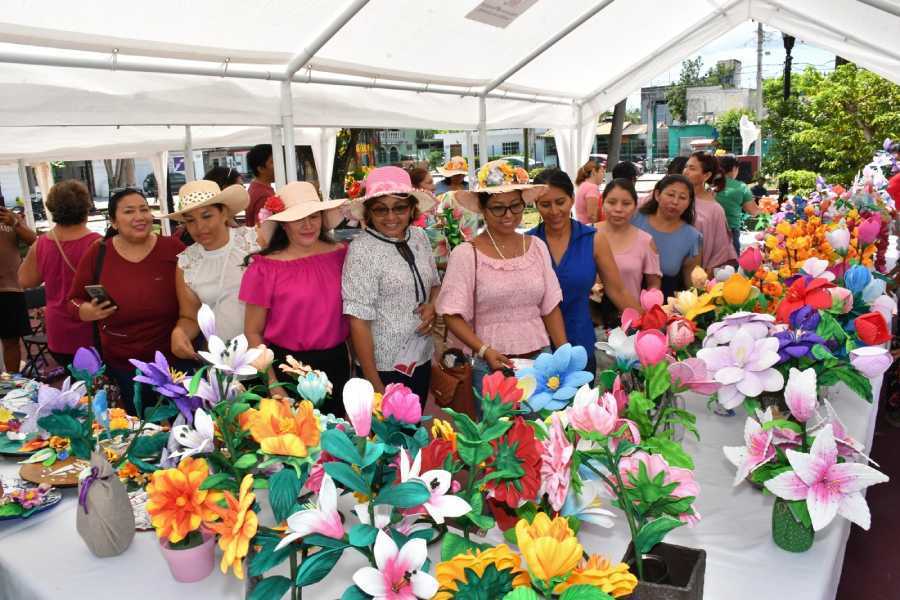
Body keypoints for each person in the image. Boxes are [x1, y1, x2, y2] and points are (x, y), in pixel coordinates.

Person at [437, 160, 567, 396]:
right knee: (494, 431)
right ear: (483, 210)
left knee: (540, 430)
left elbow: (550, 307)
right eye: (498, 207)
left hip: (540, 361)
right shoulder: (467, 254)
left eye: (515, 206)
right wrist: (484, 349)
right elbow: (451, 315)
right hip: (488, 365)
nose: (508, 215)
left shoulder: (536, 246)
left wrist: (564, 355)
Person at [68, 189, 185, 414]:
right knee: (135, 430)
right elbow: (72, 301)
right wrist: (87, 311)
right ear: (113, 221)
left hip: (173, 362)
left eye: (144, 209)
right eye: (129, 211)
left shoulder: (174, 248)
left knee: (179, 426)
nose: (139, 217)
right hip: (122, 366)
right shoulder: (98, 252)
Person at [241, 182, 349, 415]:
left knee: (339, 441)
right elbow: (252, 331)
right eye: (298, 218)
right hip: (286, 369)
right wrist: (273, 385)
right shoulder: (265, 268)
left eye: (314, 216)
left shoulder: (341, 255)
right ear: (282, 223)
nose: (308, 225)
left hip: (337, 363)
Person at [529, 168, 641, 375]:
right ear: (536, 205)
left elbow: (618, 291)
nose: (554, 211)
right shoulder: (528, 243)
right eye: (545, 205)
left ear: (572, 199)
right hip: (536, 346)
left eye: (560, 202)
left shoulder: (593, 239)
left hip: (580, 340)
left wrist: (650, 326)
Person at [342, 167, 440, 403]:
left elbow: (435, 284)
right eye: (380, 210)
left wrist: (432, 306)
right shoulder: (362, 250)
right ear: (369, 213)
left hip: (420, 357)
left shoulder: (419, 237)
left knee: (414, 431)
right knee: (388, 437)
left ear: (411, 209)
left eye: (400, 208)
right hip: (383, 365)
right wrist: (374, 381)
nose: (391, 217)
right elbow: (358, 321)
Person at [163, 181, 256, 360]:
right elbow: (189, 316)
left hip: (268, 354)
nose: (200, 227)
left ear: (224, 213)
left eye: (207, 216)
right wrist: (180, 332)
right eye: (190, 220)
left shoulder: (253, 241)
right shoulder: (187, 262)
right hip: (223, 360)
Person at [18, 180, 100, 368]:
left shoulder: (41, 243)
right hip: (90, 330)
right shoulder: (97, 244)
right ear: (86, 207)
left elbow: (25, 280)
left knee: (75, 390)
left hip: (58, 333)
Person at [632, 175, 702, 298]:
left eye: (682, 198)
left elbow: (691, 285)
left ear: (689, 202)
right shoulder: (634, 219)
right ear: (657, 195)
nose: (675, 202)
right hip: (621, 302)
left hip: (664, 309)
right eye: (670, 195)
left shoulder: (692, 237)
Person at [596, 178, 662, 302]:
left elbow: (653, 285)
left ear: (635, 206)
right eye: (611, 202)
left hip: (630, 316)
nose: (618, 209)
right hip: (587, 318)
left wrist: (649, 307)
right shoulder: (586, 234)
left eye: (626, 203)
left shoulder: (645, 241)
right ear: (603, 203)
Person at [683, 152, 737, 272]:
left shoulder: (715, 209)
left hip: (696, 275)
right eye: (686, 166)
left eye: (692, 168)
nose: (685, 171)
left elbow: (720, 250)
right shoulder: (676, 198)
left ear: (706, 175)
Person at [0, 204, 36, 373]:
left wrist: (15, 222)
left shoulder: (9, 218)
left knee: (11, 342)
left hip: (10, 289)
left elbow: (34, 241)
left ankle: (12, 388)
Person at [715, 154, 759, 255]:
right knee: (731, 267)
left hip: (711, 232)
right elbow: (753, 212)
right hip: (731, 231)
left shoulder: (712, 186)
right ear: (734, 168)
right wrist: (763, 207)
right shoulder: (741, 187)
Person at [245, 144, 275, 227]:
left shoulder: (256, 187)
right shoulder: (264, 195)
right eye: (273, 162)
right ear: (261, 169)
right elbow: (263, 229)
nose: (278, 165)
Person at [574, 159, 605, 224]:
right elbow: (592, 216)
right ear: (594, 172)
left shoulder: (583, 185)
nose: (603, 175)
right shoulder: (592, 187)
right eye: (602, 172)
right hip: (590, 229)